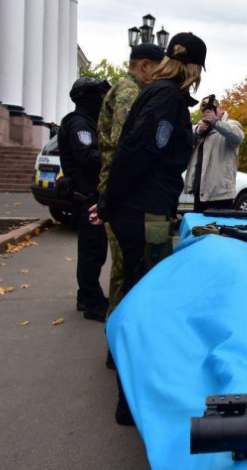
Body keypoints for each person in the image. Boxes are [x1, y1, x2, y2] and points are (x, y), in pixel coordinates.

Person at [90, 31, 206, 425]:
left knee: (141, 290)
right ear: (192, 68)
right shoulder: (167, 98)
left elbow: (134, 149)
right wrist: (108, 203)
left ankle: (131, 395)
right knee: (146, 298)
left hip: (141, 209)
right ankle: (132, 401)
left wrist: (110, 200)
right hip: (146, 214)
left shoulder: (157, 94)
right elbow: (138, 151)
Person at [97, 43, 164, 325]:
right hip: (120, 191)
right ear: (145, 65)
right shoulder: (129, 91)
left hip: (119, 189)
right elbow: (128, 143)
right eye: (159, 69)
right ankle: (118, 337)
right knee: (125, 268)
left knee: (128, 265)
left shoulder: (132, 89)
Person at [57, 76, 111, 322]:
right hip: (86, 196)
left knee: (94, 250)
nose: (103, 99)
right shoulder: (79, 123)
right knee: (92, 251)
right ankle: (91, 302)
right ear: (87, 97)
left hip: (88, 194)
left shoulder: (87, 121)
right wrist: (114, 153)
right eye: (100, 95)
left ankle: (85, 296)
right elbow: (88, 157)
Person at [183, 95, 244, 211]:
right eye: (204, 109)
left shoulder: (231, 124)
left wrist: (216, 122)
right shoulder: (202, 128)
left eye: (211, 108)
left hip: (220, 194)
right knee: (199, 227)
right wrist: (198, 130)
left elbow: (238, 137)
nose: (207, 111)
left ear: (220, 109)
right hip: (200, 191)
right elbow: (184, 134)